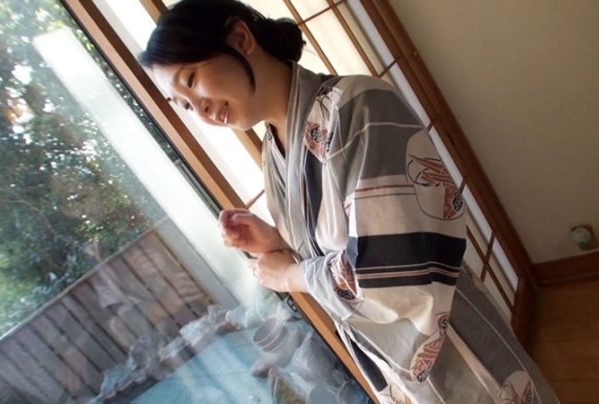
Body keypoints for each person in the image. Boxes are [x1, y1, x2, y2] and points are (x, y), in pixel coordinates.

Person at [140, 1, 559, 402]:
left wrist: (289, 276)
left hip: (453, 343)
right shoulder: (273, 150)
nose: (199, 109)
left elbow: (395, 266)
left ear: (240, 38)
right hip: (389, 367)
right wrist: (276, 240)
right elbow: (333, 242)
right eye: (183, 105)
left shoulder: (359, 105)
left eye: (191, 81)